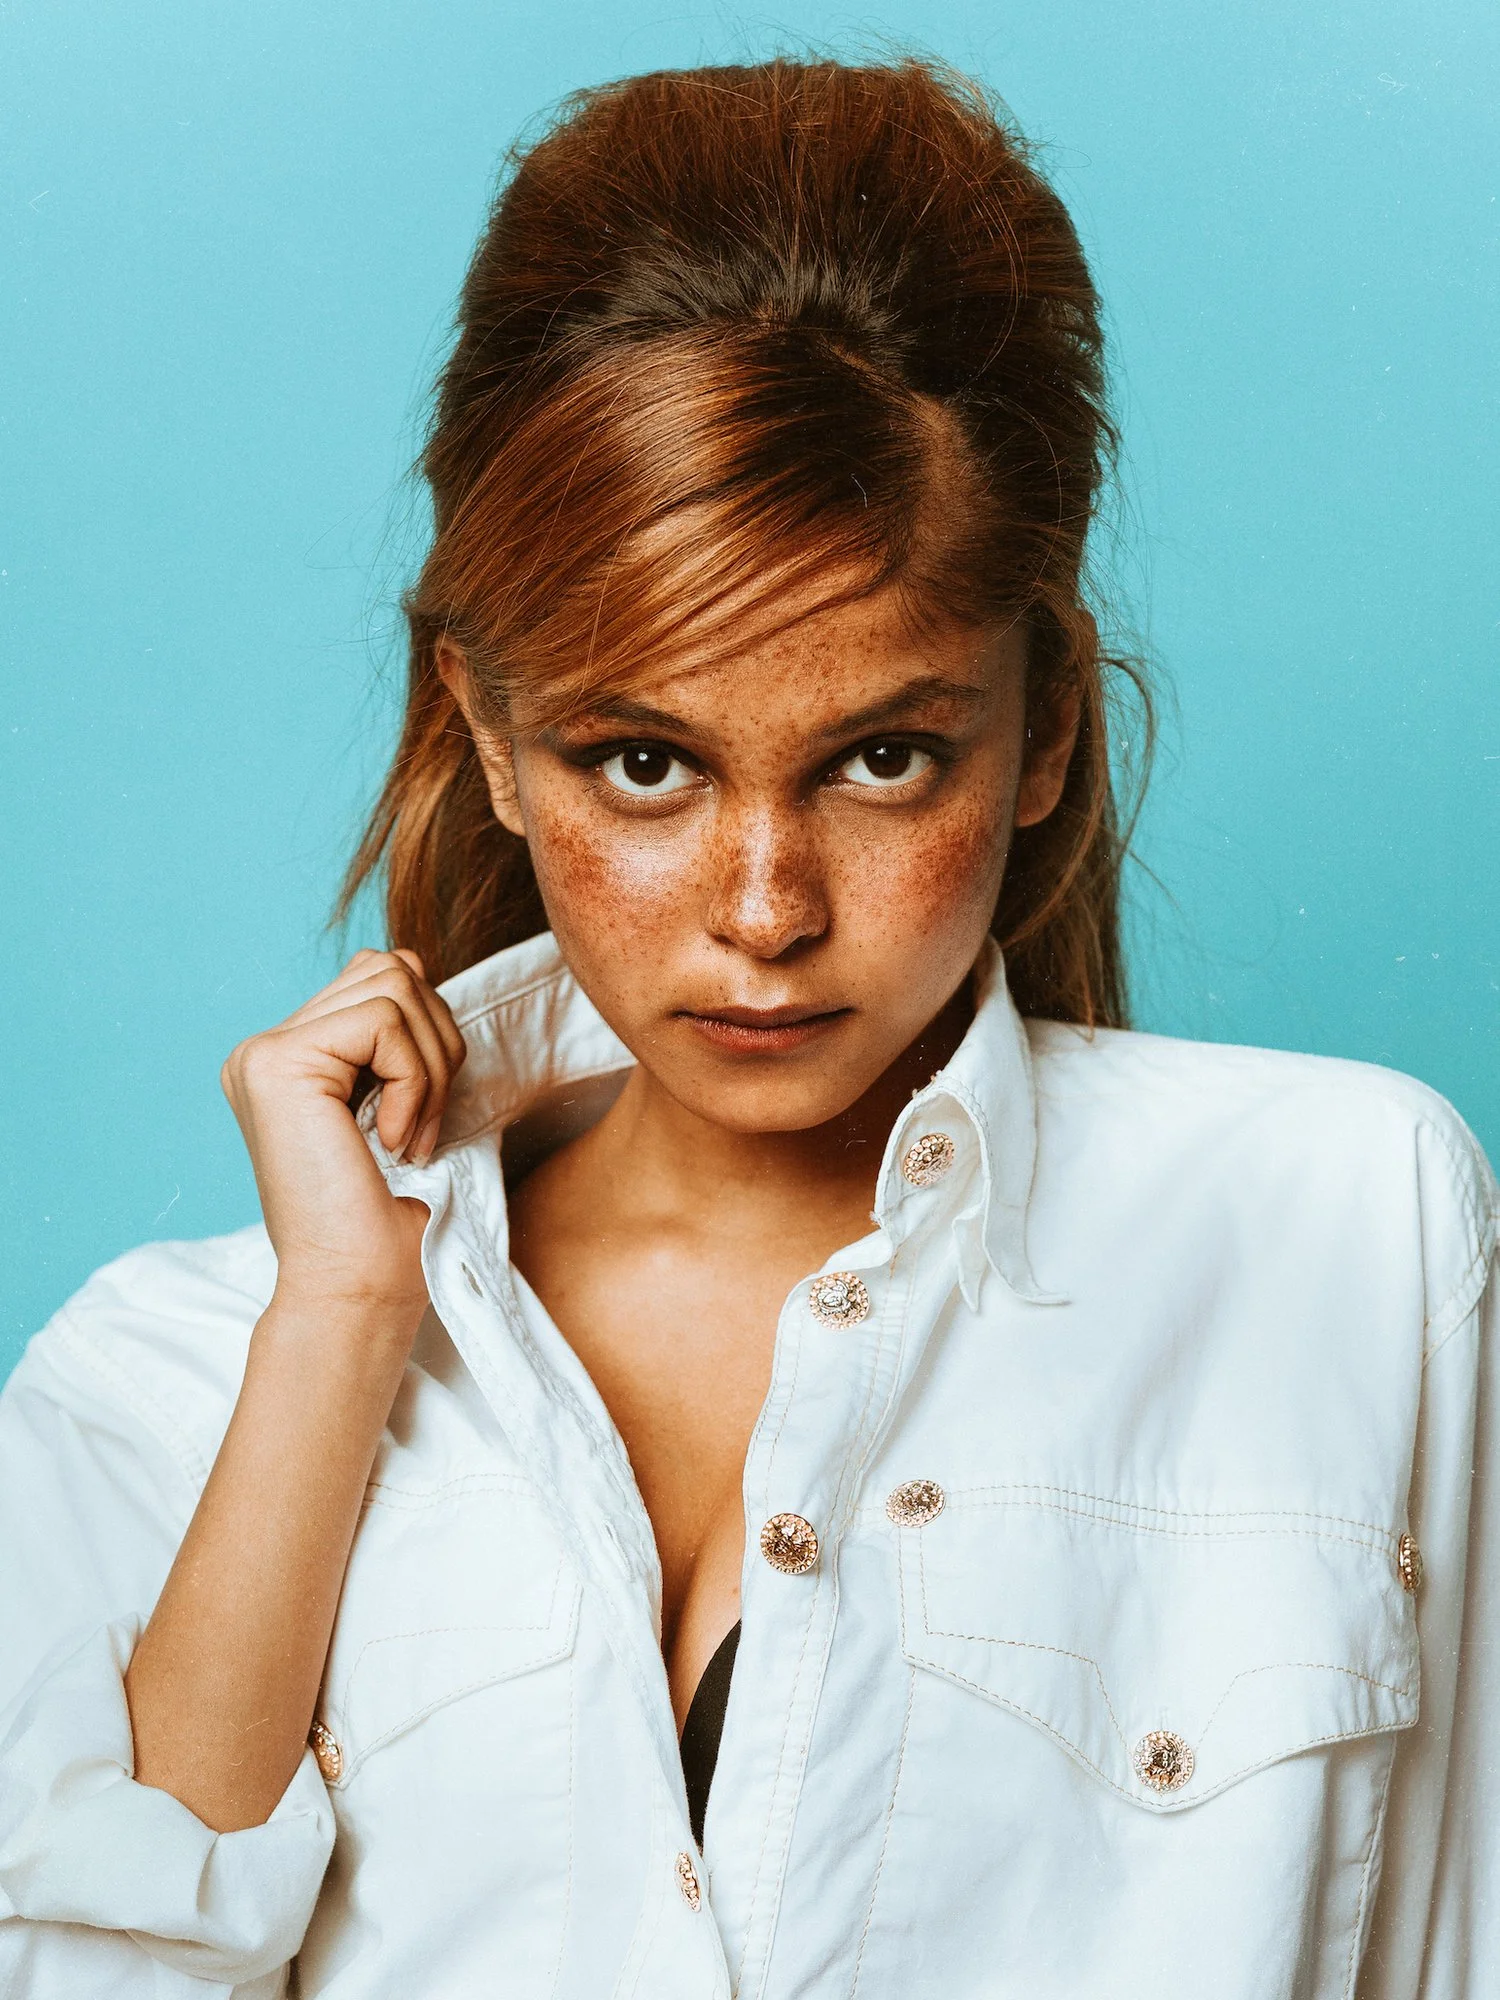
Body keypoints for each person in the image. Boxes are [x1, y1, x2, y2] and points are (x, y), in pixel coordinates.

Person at [0, 55, 1494, 2000]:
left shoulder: (1341, 1229)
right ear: (489, 737)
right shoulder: (167, 1376)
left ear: (1043, 724)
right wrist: (345, 1328)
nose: (769, 906)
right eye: (643, 763)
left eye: (883, 757)